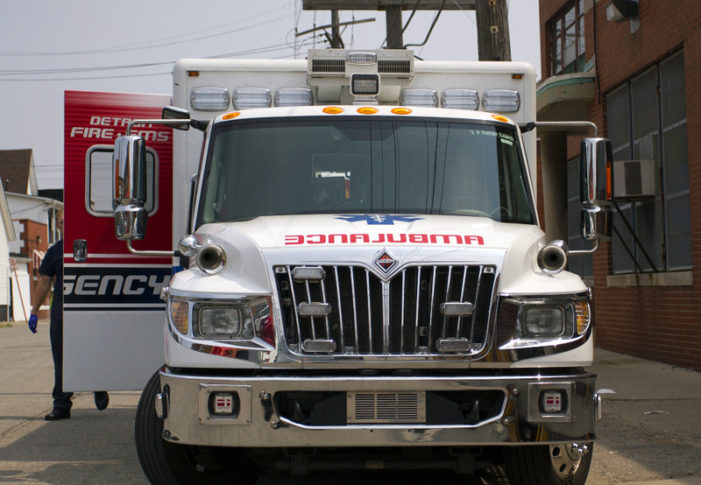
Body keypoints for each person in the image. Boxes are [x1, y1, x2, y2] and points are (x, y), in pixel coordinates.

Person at [28, 211, 109, 420]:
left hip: (90, 310)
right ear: (58, 226)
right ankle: (62, 405)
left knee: (91, 351)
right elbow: (44, 281)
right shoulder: (55, 252)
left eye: (68, 221)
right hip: (62, 312)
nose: (65, 225)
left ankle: (98, 384)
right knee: (61, 359)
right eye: (61, 222)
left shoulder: (91, 248)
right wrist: (34, 311)